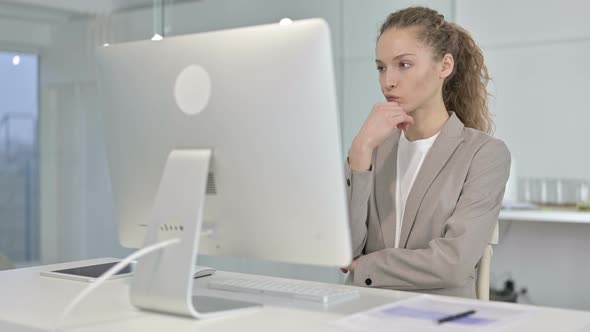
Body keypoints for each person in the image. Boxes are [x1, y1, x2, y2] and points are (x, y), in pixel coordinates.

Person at [343, 6, 511, 298]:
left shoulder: (484, 154)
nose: (388, 81)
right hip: (362, 310)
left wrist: (365, 268)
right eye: (381, 67)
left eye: (403, 65)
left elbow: (453, 264)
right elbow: (344, 251)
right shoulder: (372, 149)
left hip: (439, 316)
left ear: (444, 66)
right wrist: (360, 153)